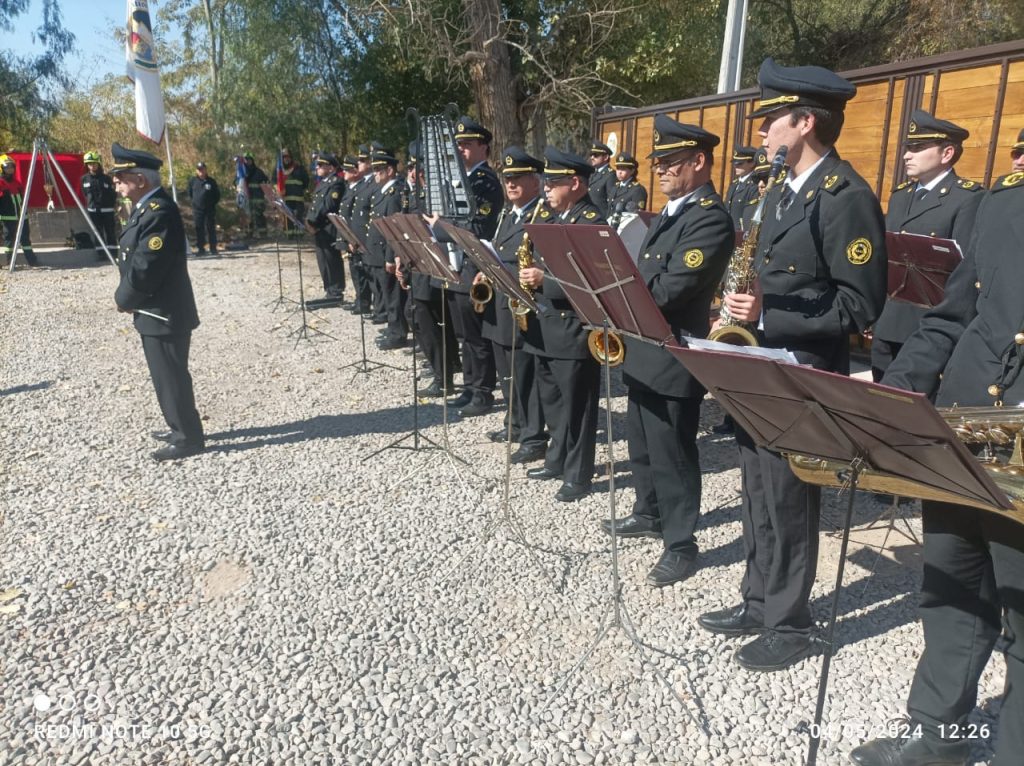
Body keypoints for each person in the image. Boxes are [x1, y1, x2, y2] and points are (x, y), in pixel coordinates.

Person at [696, 58, 887, 671]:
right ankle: (758, 599)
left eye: (772, 119)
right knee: (756, 485)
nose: (763, 130)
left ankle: (791, 621)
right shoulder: (778, 191)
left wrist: (768, 312)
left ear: (805, 122)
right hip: (760, 362)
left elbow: (861, 303)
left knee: (788, 493)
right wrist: (735, 306)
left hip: (801, 365)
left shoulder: (846, 196)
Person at [849, 153, 1024, 766]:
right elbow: (951, 317)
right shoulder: (1003, 202)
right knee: (952, 589)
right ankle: (939, 738)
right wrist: (890, 398)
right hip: (965, 431)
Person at [601, 116, 734, 586]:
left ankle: (681, 543)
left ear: (699, 162)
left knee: (673, 451)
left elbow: (674, 286)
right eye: (657, 163)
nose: (659, 171)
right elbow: (643, 272)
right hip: (644, 345)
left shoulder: (710, 217)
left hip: (675, 350)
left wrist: (620, 294)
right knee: (641, 439)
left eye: (670, 163)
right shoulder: (674, 209)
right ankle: (648, 511)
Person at [870, 110, 984, 382]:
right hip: (888, 323)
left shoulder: (967, 198)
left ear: (946, 154)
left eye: (918, 148)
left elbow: (963, 272)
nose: (907, 155)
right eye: (908, 148)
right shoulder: (900, 196)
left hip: (927, 330)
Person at [519, 147, 604, 502]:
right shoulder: (556, 219)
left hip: (573, 328)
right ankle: (556, 458)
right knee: (552, 400)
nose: (547, 190)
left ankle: (578, 474)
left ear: (575, 183)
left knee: (578, 407)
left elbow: (594, 282)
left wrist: (545, 282)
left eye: (553, 183)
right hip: (546, 324)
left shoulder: (592, 223)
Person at [109, 143, 204, 461]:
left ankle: (187, 437)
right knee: (165, 374)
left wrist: (124, 298)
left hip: (164, 311)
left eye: (121, 177)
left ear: (140, 179)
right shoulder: (146, 208)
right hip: (154, 309)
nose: (116, 182)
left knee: (171, 375)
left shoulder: (159, 211)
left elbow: (147, 265)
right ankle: (178, 425)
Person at [479, 146, 552, 461]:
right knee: (507, 370)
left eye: (518, 178)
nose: (510, 184)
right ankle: (514, 422)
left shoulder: (543, 215)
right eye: (507, 178)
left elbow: (545, 263)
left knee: (526, 374)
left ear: (535, 181)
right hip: (501, 304)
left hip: (524, 306)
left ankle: (533, 436)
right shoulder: (508, 215)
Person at [437, 116, 503, 417]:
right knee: (464, 332)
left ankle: (483, 391)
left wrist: (443, 226)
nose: (460, 150)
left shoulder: (484, 181)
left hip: (474, 261)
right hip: (457, 262)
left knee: (477, 335)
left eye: (467, 145)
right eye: (458, 145)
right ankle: (469, 385)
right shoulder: (460, 181)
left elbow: (480, 225)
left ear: (483, 148)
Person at [365, 149, 410, 350]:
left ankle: (398, 333)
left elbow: (393, 230)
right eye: (374, 169)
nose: (375, 173)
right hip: (378, 252)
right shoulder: (382, 193)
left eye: (379, 169)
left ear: (390, 170)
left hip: (387, 253)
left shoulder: (393, 195)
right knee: (387, 292)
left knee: (393, 296)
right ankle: (393, 328)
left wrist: (391, 257)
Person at [305, 153, 347, 301]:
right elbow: (315, 204)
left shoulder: (336, 183)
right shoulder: (322, 183)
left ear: (331, 168)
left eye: (321, 165)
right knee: (322, 260)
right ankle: (328, 288)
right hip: (318, 227)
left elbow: (328, 205)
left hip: (328, 227)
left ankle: (336, 290)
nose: (317, 167)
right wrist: (309, 221)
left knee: (331, 258)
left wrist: (313, 221)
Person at [0, 154, 38, 267]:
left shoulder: (17, 182)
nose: (10, 169)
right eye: (7, 167)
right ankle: (9, 262)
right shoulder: (1, 183)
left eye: (11, 167)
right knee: (9, 241)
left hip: (22, 217)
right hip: (8, 218)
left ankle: (32, 261)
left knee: (26, 240)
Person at [80, 150, 118, 261]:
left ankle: (113, 253)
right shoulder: (84, 179)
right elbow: (85, 193)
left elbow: (112, 193)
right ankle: (101, 253)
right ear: (87, 165)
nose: (92, 166)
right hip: (93, 211)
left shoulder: (106, 178)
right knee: (97, 232)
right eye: (90, 164)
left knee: (110, 231)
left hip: (107, 210)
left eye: (94, 163)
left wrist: (112, 205)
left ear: (98, 164)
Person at [187, 162, 221, 256]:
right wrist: (195, 203)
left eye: (202, 169)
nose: (201, 171)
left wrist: (211, 204)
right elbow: (190, 193)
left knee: (211, 228)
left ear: (206, 170)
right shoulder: (193, 181)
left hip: (209, 209)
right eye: (199, 169)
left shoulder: (211, 181)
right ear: (196, 171)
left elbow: (217, 195)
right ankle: (201, 249)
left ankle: (213, 248)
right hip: (198, 210)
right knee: (199, 229)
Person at [606, 151, 648, 227]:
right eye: (618, 168)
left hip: (625, 230)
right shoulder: (615, 188)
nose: (619, 172)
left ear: (632, 171)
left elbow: (636, 217)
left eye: (623, 169)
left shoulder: (637, 190)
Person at [724, 146, 759, 228]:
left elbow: (751, 215)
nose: (736, 166)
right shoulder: (734, 185)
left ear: (752, 163)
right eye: (734, 163)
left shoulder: (754, 185)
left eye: (740, 163)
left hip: (742, 234)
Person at [280, 148, 310, 233]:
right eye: (284, 157)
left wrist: (300, 189)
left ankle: (300, 234)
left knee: (299, 216)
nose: (286, 159)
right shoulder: (280, 170)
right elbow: (275, 181)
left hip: (298, 198)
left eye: (288, 157)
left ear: (291, 158)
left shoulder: (299, 168)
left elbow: (306, 180)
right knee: (288, 216)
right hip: (286, 198)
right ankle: (290, 234)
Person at [242, 152, 268, 238]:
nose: (248, 162)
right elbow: (237, 183)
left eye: (249, 160)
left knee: (259, 216)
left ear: (252, 160)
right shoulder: (242, 173)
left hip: (258, 199)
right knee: (248, 216)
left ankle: (263, 234)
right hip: (247, 199)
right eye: (246, 160)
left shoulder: (258, 172)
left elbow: (266, 182)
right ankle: (249, 234)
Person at [587, 140, 615, 216]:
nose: (592, 157)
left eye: (596, 155)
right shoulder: (592, 174)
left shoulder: (611, 175)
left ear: (606, 157)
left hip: (601, 218)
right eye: (591, 154)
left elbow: (611, 202)